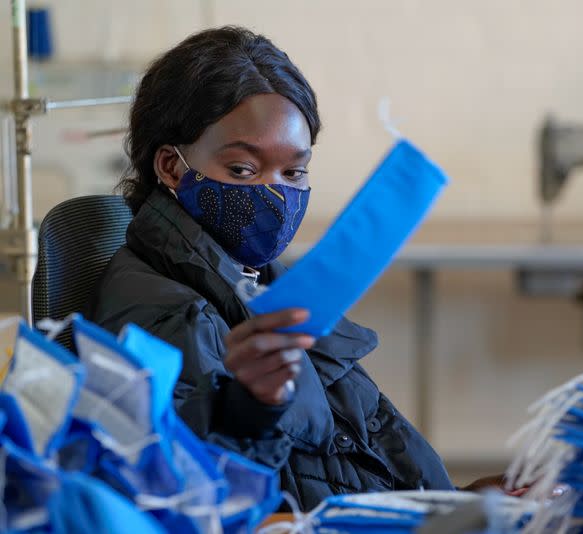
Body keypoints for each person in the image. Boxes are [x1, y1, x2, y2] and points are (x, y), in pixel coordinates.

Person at [88, 26, 503, 511]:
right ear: (173, 168)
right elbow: (196, 500)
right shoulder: (166, 314)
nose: (274, 194)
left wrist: (459, 506)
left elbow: (356, 469)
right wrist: (244, 410)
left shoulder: (262, 285)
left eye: (294, 172)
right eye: (243, 170)